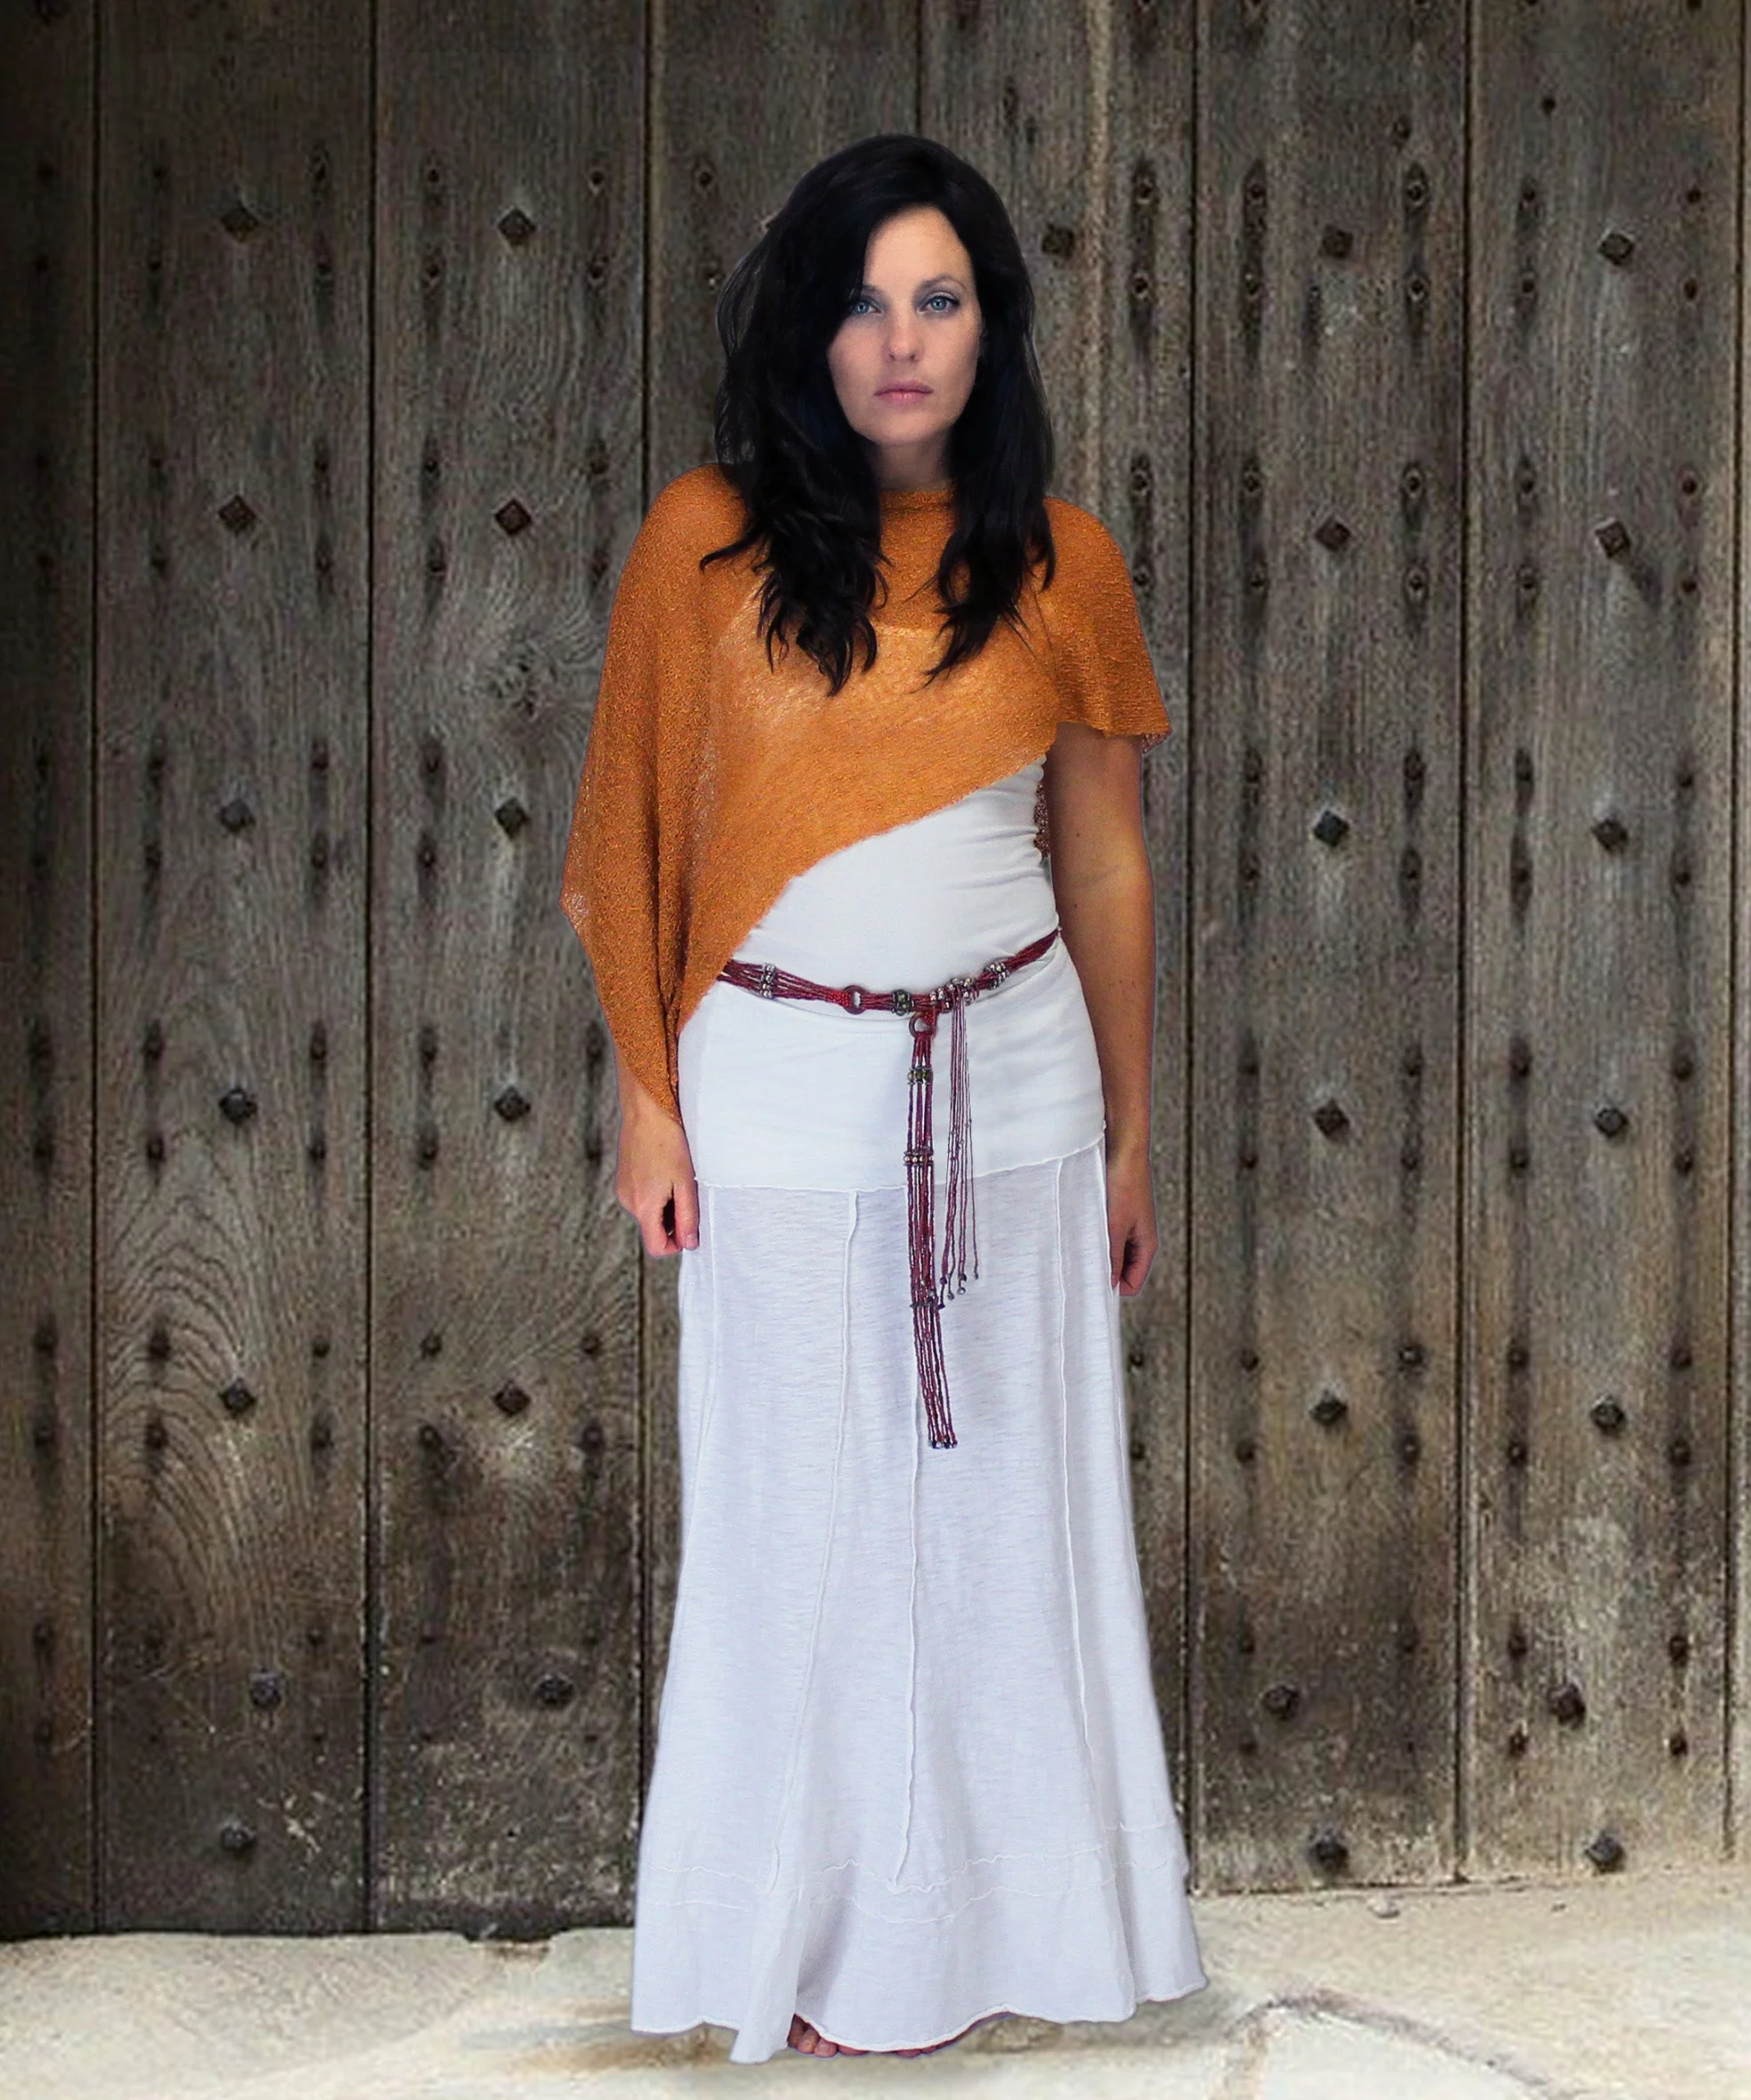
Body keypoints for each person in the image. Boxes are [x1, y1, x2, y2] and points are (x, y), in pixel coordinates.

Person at [559, 132, 1208, 2066]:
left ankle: (1009, 1932)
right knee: (802, 1523)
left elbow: (1104, 860)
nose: (901, 341)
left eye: (939, 299)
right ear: (808, 329)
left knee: (1012, 1524)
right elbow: (624, 831)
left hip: (1017, 1086)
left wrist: (1130, 1131)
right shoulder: (703, 545)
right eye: (862, 301)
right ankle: (807, 1944)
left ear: (990, 329)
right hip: (777, 1086)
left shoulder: (1060, 560)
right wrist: (647, 1094)